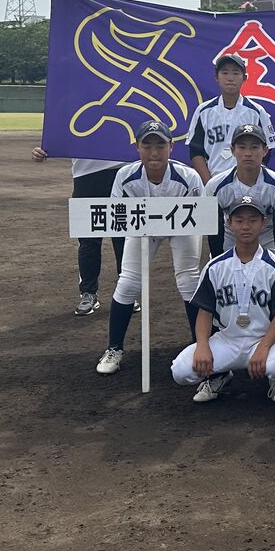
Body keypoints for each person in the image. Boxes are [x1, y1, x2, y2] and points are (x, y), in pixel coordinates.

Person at [95, 120, 205, 376]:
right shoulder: (125, 176)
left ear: (171, 147)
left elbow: (199, 215)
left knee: (189, 280)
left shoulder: (188, 177)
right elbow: (117, 216)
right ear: (137, 147)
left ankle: (200, 345)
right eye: (147, 146)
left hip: (182, 227)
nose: (154, 152)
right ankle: (114, 348)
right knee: (128, 282)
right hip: (142, 228)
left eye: (160, 146)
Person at [170, 197, 275, 405]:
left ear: (263, 223)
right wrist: (202, 345)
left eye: (253, 220)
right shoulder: (215, 266)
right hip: (227, 339)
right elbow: (205, 312)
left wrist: (264, 347)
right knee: (180, 371)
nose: (246, 226)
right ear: (229, 223)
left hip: (264, 338)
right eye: (239, 220)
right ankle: (220, 376)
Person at [30, 145, 126, 316]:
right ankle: (88, 292)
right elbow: (60, 136)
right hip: (86, 173)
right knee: (88, 240)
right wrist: (44, 149)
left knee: (124, 239)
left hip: (123, 170)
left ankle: (126, 293)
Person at [203, 124, 275, 258]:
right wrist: (218, 261)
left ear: (265, 150)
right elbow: (214, 229)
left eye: (254, 147)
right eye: (242, 147)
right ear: (232, 150)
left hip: (267, 236)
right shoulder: (215, 186)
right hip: (231, 236)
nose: (248, 153)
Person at [184, 53, 275, 185]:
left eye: (235, 73)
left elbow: (267, 150)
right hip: (212, 180)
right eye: (225, 73)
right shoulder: (203, 111)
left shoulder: (256, 111)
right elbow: (195, 151)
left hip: (247, 182)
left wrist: (251, 180)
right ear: (216, 77)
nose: (230, 78)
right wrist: (210, 184)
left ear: (244, 78)